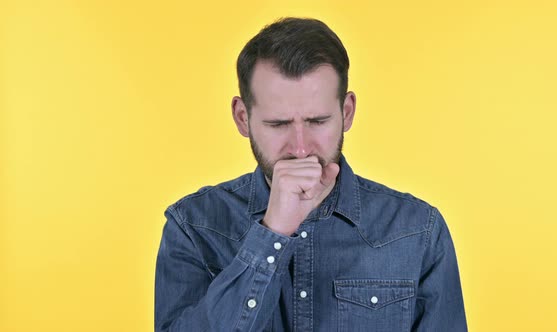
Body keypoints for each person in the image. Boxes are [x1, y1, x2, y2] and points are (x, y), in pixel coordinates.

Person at [155, 17, 467, 331]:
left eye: (317, 121)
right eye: (278, 124)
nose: (301, 149)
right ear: (242, 118)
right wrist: (272, 233)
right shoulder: (192, 227)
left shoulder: (417, 231)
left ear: (346, 113)